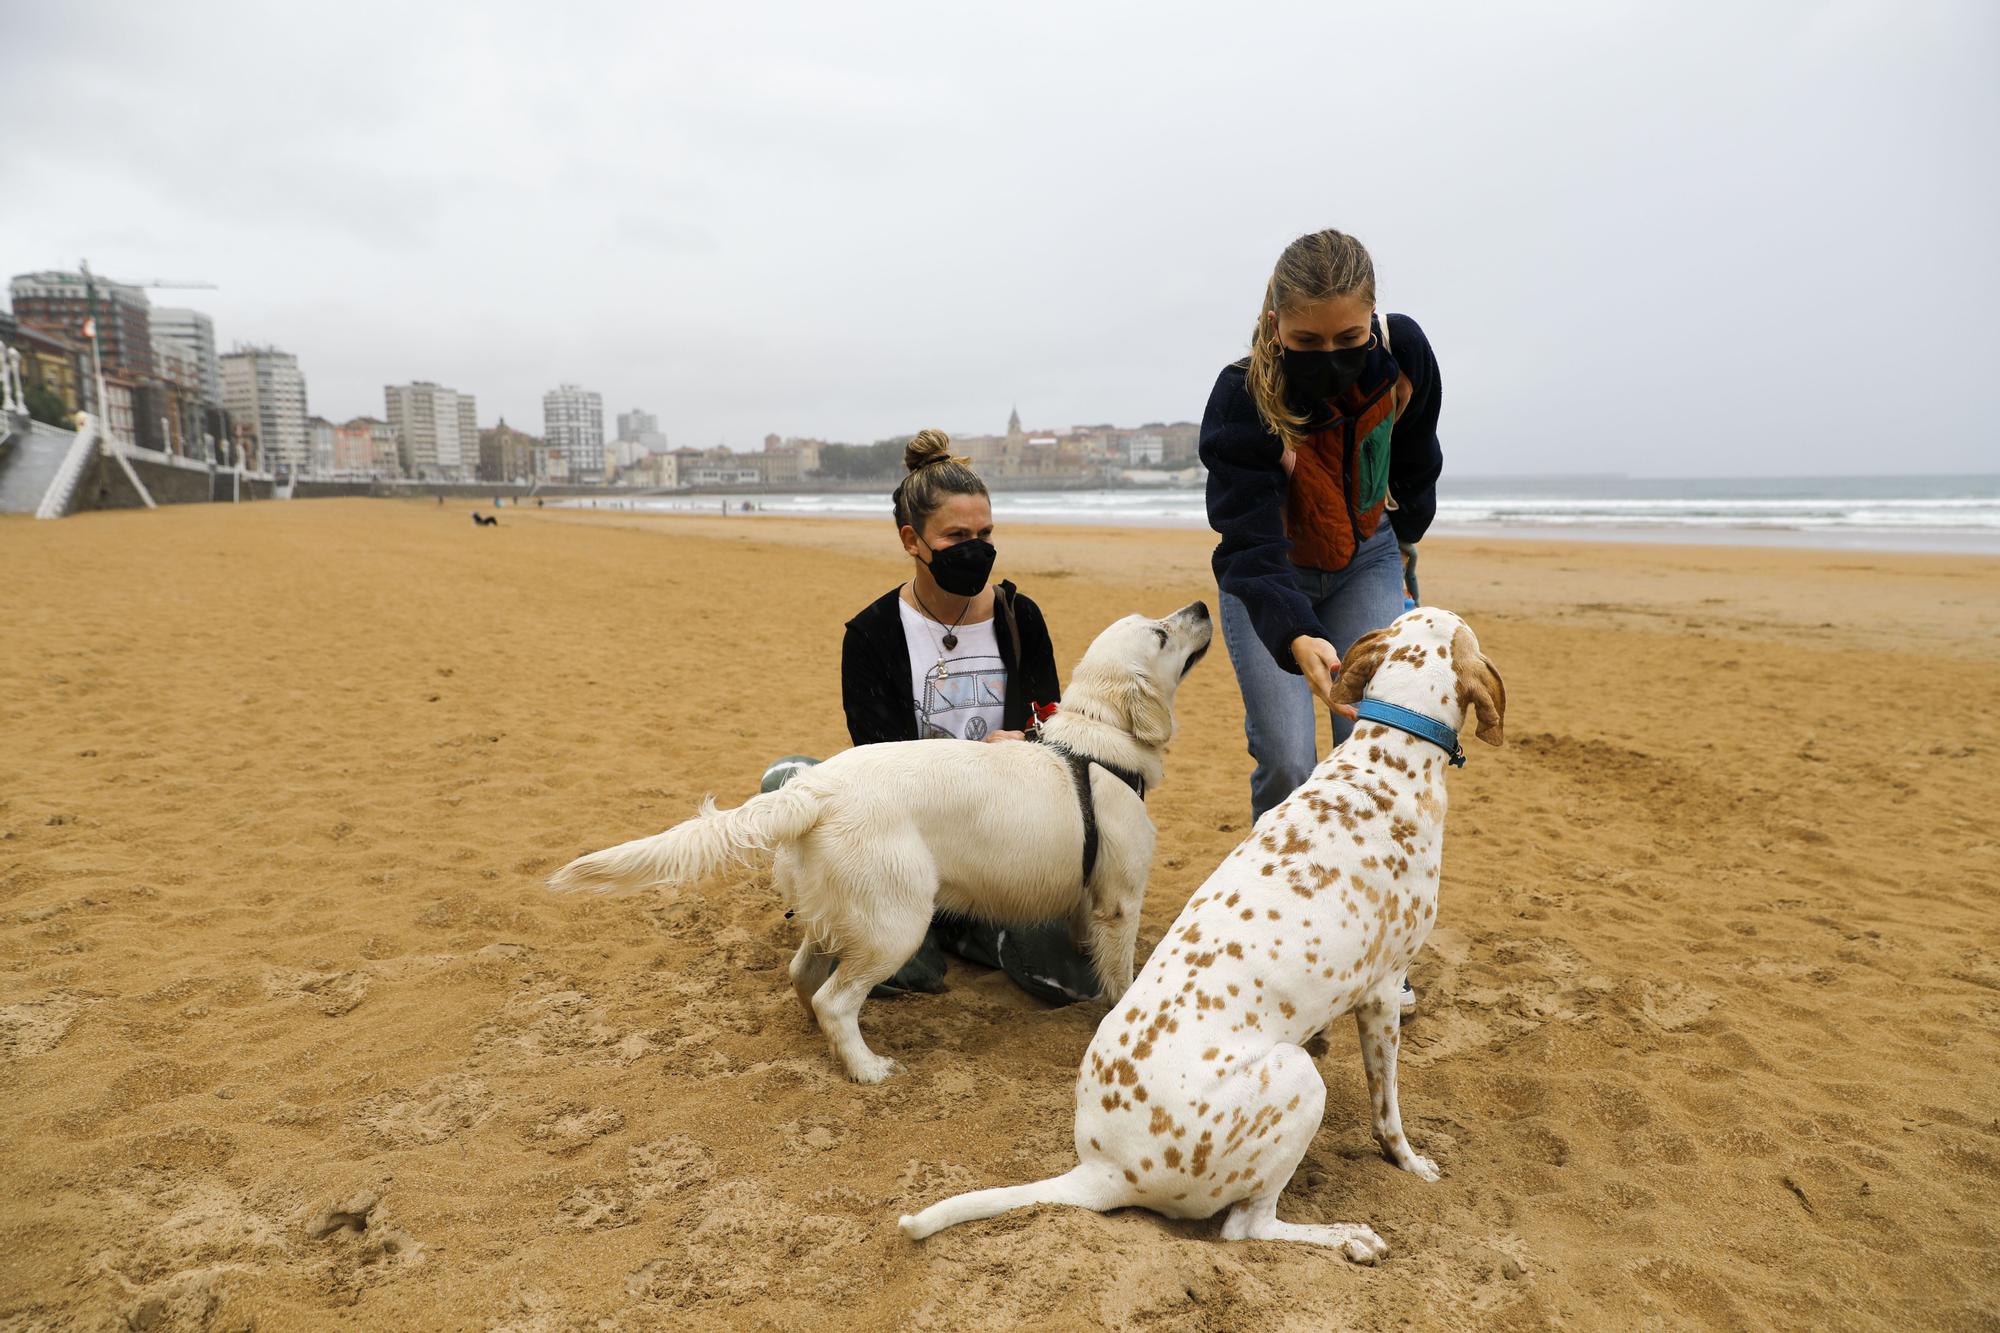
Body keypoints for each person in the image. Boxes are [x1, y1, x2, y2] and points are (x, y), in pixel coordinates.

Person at [1201, 229, 1444, 1012]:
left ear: (1373, 317)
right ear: (1275, 322)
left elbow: (1416, 459)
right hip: (1269, 577)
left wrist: (1404, 549)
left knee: (1369, 753)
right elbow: (1248, 544)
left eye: (1347, 337)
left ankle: (1373, 950)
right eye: (1307, 340)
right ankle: (1286, 932)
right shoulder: (1241, 397)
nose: (1329, 354)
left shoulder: (1405, 355)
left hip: (1368, 559)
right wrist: (1295, 631)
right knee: (1286, 760)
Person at [775, 430, 1101, 1006]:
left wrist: (1027, 738)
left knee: (1067, 982)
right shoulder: (872, 633)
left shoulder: (1018, 615)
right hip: (910, 833)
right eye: (956, 536)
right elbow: (880, 757)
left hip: (998, 838)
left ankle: (950, 925)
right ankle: (909, 920)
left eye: (985, 534)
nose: (976, 548)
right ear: (912, 539)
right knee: (790, 780)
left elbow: (1057, 723)